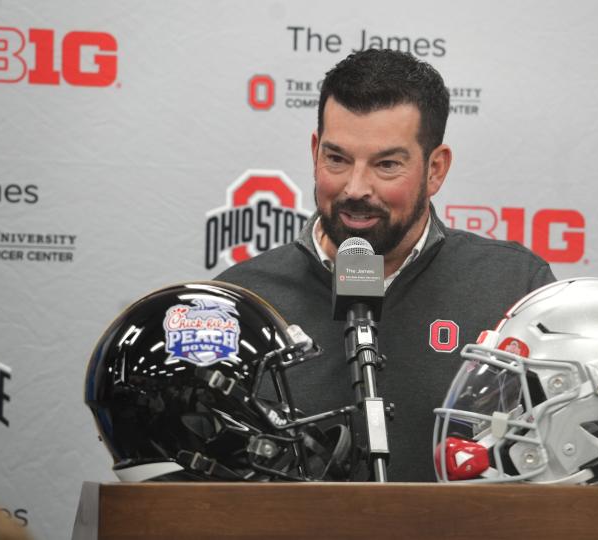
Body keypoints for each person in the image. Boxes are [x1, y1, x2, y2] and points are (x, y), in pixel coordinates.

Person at [216, 48, 555, 482]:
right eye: (337, 159)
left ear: (435, 169)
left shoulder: (513, 287)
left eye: (387, 164)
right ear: (315, 150)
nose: (356, 188)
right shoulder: (242, 301)